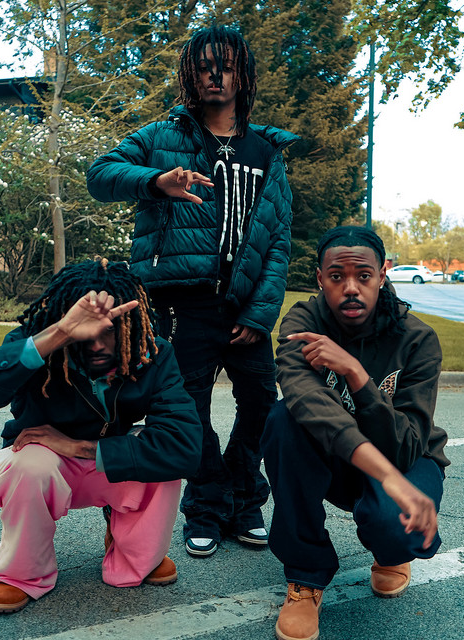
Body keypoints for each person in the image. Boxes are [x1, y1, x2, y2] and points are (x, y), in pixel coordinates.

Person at [87, 25, 298, 558]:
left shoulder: (266, 151)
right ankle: (206, 507)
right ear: (190, 74)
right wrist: (156, 182)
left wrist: (261, 312)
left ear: (243, 74)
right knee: (191, 411)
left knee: (261, 404)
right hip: (183, 302)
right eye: (203, 66)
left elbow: (278, 239)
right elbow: (99, 174)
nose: (214, 75)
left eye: (225, 65)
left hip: (245, 304)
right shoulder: (162, 137)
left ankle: (244, 499)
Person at [0, 259, 202, 614]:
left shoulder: (151, 353)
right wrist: (58, 334)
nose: (97, 343)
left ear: (131, 324)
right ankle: (22, 573)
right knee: (29, 464)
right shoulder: (38, 343)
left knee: (162, 460)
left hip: (106, 462)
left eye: (110, 330)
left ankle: (134, 553)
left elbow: (185, 446)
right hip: (42, 464)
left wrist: (80, 447)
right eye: (86, 331)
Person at [261, 227, 450, 640]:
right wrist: (388, 479)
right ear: (320, 278)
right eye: (336, 276)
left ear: (382, 274)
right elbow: (309, 404)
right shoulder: (303, 324)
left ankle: (390, 552)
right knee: (283, 420)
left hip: (402, 457)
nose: (350, 288)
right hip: (340, 460)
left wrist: (357, 375)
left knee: (396, 528)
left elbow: (408, 445)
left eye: (363, 276)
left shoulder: (417, 339)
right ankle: (306, 575)